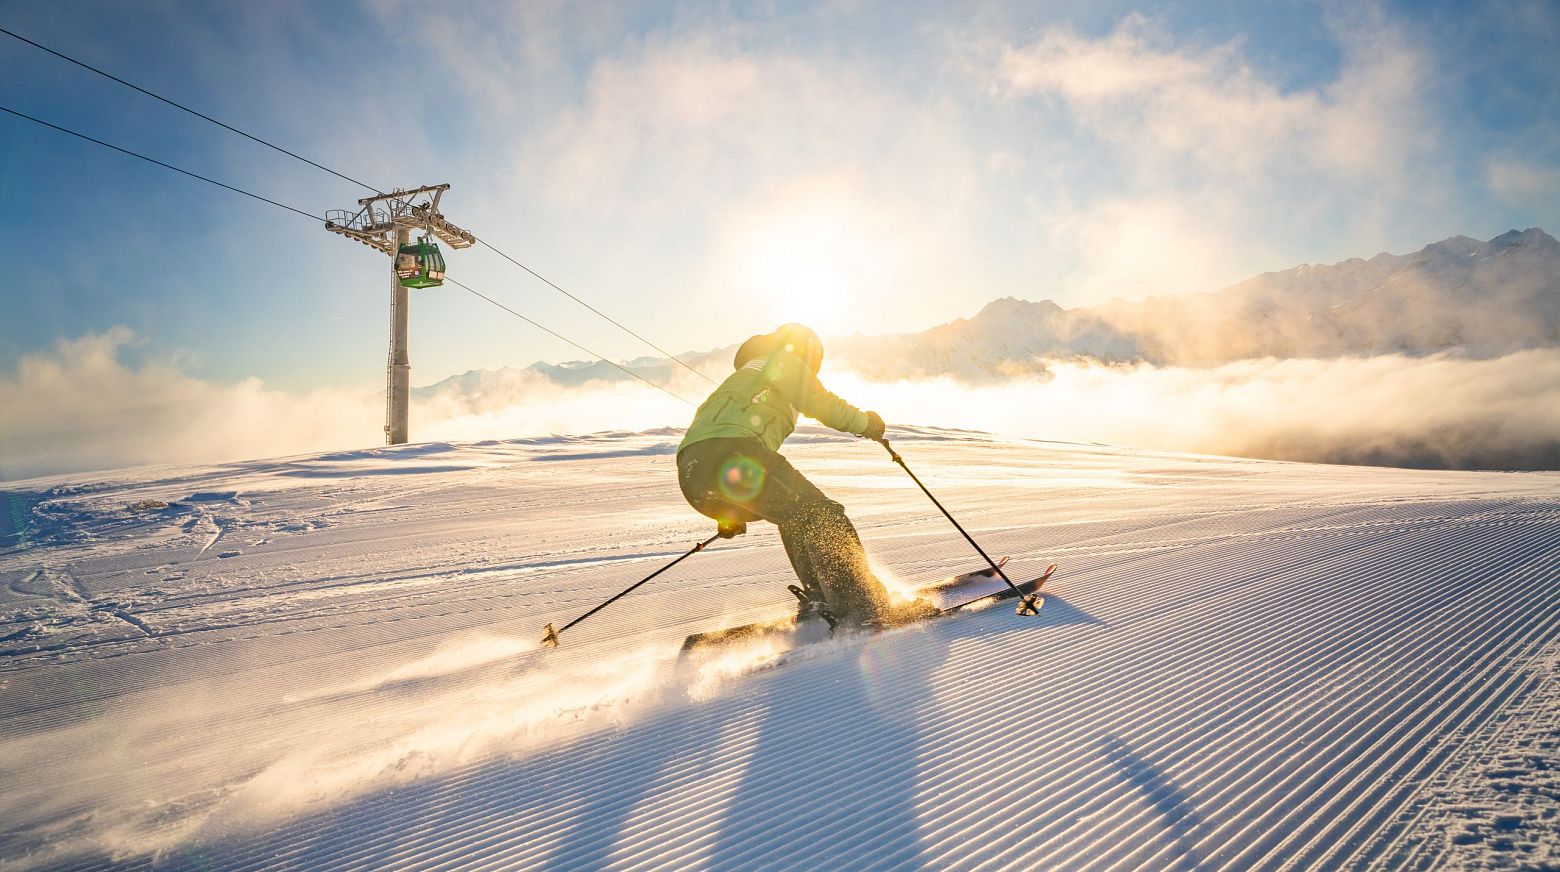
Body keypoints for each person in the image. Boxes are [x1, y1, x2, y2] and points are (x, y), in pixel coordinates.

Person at [676, 323, 936, 627]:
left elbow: (707, 444)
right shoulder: (782, 359)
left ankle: (821, 598)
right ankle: (864, 607)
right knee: (822, 514)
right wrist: (867, 423)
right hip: (735, 454)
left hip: (692, 474)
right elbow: (821, 403)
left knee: (796, 514)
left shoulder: (739, 379)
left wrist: (728, 511)